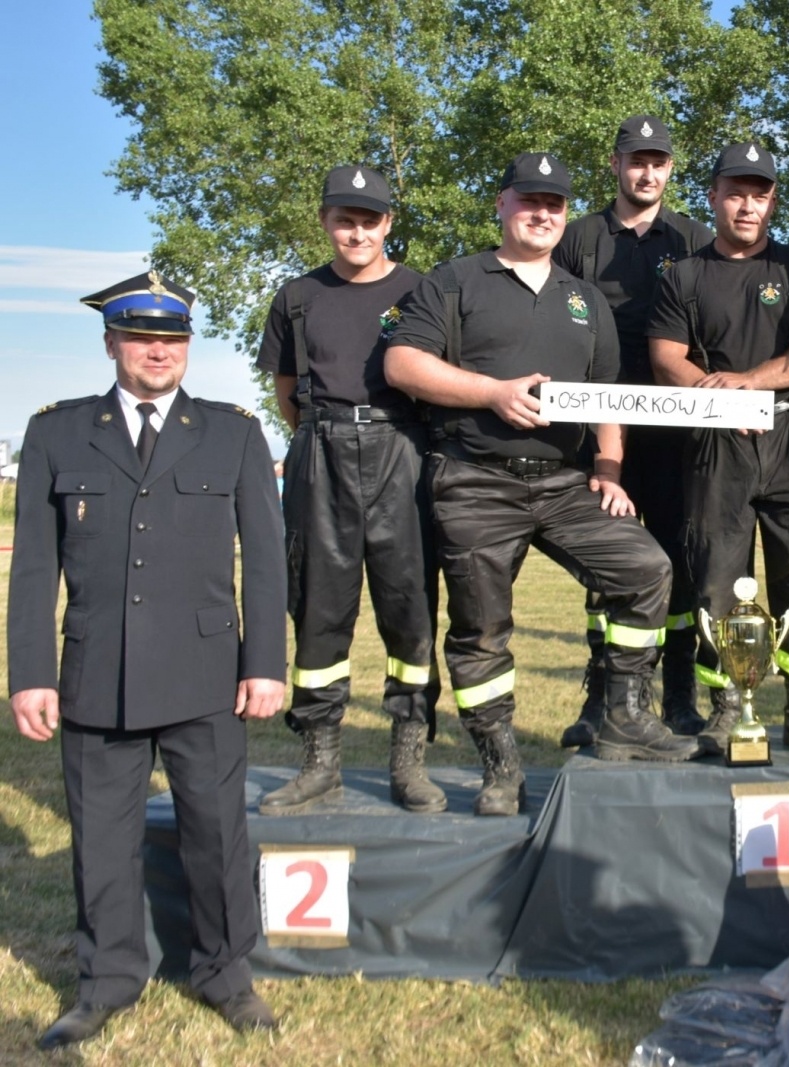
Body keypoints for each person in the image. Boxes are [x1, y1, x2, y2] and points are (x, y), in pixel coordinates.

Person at [8, 271, 285, 1047]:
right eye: (141, 338)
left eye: (171, 340)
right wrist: (29, 673)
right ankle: (106, 979)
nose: (157, 352)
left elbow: (264, 562)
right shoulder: (58, 433)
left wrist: (264, 661)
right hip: (97, 673)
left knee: (216, 831)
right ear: (111, 344)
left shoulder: (233, 432)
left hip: (206, 675)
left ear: (188, 348)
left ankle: (227, 974)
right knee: (100, 836)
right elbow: (34, 567)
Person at [386, 151, 698, 811]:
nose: (543, 213)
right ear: (501, 205)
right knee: (481, 629)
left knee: (645, 570)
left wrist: (610, 469)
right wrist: (492, 393)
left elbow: (607, 395)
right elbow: (403, 363)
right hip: (473, 481)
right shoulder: (454, 280)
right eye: (529, 200)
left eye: (555, 204)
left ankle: (623, 713)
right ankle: (501, 765)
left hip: (566, 483)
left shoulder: (585, 299)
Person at [254, 165, 444, 817]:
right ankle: (320, 761)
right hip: (321, 451)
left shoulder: (424, 292)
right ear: (325, 220)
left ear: (388, 223)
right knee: (317, 612)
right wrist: (322, 442)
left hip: (403, 450)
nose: (356, 230)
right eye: (344, 218)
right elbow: (286, 395)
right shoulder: (297, 297)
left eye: (369, 218)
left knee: (410, 611)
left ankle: (408, 760)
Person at [648, 141, 789, 757]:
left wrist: (752, 385)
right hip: (716, 442)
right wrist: (722, 403)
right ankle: (725, 703)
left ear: (772, 201)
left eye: (759, 194)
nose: (747, 204)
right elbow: (665, 357)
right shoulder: (682, 275)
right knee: (716, 576)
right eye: (735, 192)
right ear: (711, 196)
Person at [553, 115, 713, 748]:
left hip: (676, 430)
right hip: (597, 432)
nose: (647, 172)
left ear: (671, 169)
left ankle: (678, 697)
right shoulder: (578, 237)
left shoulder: (697, 238)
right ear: (615, 165)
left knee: (678, 563)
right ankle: (603, 700)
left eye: (659, 162)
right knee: (608, 566)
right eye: (635, 160)